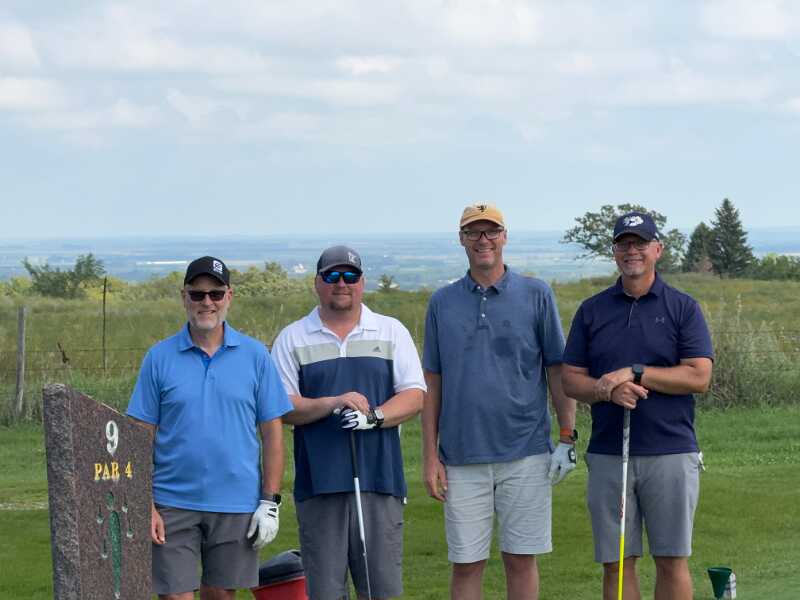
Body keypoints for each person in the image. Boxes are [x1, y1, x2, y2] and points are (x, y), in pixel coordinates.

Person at [422, 204, 577, 600]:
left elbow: (556, 370)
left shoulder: (536, 294)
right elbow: (433, 382)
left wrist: (567, 437)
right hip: (460, 455)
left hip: (526, 451)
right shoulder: (442, 302)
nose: (483, 240)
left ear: (504, 236)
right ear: (461, 240)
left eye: (491, 231)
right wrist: (430, 456)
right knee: (466, 564)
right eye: (473, 232)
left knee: (521, 559)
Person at [561, 212, 714, 600]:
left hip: (671, 450)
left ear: (657, 249)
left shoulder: (683, 307)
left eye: (640, 243)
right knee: (616, 562)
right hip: (609, 452)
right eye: (624, 244)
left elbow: (699, 376)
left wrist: (637, 373)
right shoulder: (592, 311)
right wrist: (607, 391)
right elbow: (571, 380)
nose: (632, 251)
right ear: (614, 252)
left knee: (671, 559)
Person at [127, 256, 293, 600]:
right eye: (197, 294)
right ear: (184, 297)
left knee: (220, 594)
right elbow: (139, 436)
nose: (207, 302)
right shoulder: (159, 357)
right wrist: (145, 504)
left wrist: (270, 502)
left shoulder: (255, 356)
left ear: (229, 296)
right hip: (171, 501)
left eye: (215, 294)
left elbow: (273, 435)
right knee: (175, 595)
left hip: (236, 501)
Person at [271, 245, 425, 600]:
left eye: (350, 276)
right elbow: (282, 406)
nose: (342, 283)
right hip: (319, 484)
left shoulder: (390, 331)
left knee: (381, 590)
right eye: (332, 276)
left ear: (362, 282)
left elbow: (414, 395)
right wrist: (332, 403)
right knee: (326, 592)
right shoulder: (293, 337)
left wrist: (374, 417)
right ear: (317, 282)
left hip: (379, 480)